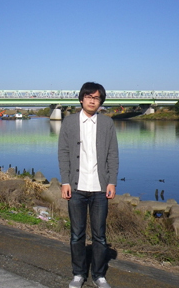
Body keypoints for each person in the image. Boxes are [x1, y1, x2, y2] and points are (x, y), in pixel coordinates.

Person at [58, 82, 119, 288]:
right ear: (81, 99)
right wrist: (65, 181)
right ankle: (78, 274)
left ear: (101, 101)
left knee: (99, 235)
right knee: (77, 234)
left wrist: (112, 182)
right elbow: (63, 153)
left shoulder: (107, 123)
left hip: (100, 188)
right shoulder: (69, 122)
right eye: (89, 97)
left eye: (97, 98)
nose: (92, 101)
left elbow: (113, 154)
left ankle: (99, 275)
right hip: (76, 188)